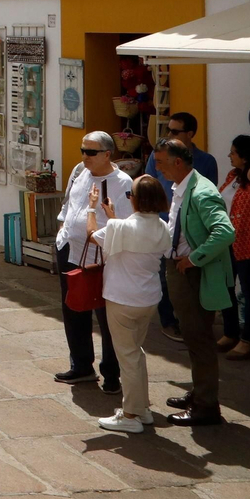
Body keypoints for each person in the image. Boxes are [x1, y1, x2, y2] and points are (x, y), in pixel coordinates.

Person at [153, 137, 236, 426]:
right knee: (191, 337)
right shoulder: (182, 186)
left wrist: (193, 259)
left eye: (161, 162)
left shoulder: (201, 192)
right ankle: (198, 393)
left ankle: (206, 407)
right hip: (181, 271)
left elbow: (225, 232)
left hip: (193, 274)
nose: (157, 168)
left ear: (178, 162)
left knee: (199, 340)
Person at [87, 175, 172, 432]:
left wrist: (92, 208)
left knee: (128, 355)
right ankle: (142, 408)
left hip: (122, 298)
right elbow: (130, 235)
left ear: (134, 200)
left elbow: (92, 234)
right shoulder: (162, 228)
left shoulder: (120, 228)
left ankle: (131, 415)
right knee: (136, 351)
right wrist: (113, 217)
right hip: (148, 299)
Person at [52, 131, 133, 393]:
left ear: (107, 154)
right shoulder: (80, 171)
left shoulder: (122, 182)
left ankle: (111, 373)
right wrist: (62, 230)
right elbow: (68, 202)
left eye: (91, 152)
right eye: (83, 151)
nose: (85, 156)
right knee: (74, 308)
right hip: (70, 249)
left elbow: (125, 223)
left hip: (101, 257)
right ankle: (81, 365)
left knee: (107, 316)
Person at [143, 111, 219, 340]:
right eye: (169, 129)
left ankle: (193, 323)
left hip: (191, 231)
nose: (169, 134)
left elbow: (208, 195)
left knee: (189, 278)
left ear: (190, 134)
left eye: (175, 131)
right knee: (162, 276)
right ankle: (168, 321)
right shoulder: (157, 157)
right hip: (163, 222)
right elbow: (149, 183)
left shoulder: (206, 161)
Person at [217, 135, 250, 360]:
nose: (230, 156)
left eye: (234, 152)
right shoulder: (233, 177)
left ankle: (248, 340)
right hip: (229, 240)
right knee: (226, 286)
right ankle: (230, 333)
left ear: (246, 156)